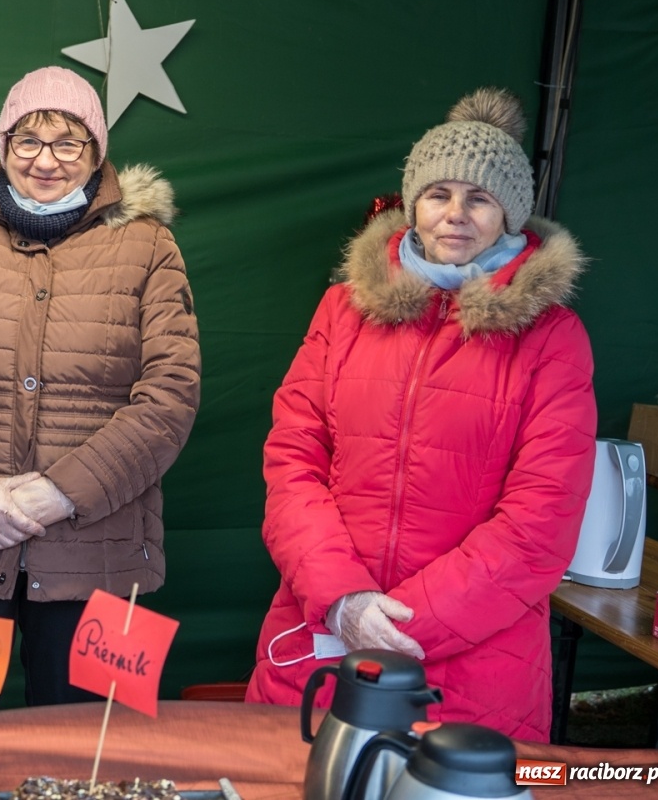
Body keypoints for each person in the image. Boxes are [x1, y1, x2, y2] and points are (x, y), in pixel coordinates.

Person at [245, 89, 596, 741]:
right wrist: (343, 600)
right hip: (324, 635)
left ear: (510, 214)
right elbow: (293, 459)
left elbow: (542, 519)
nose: (455, 213)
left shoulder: (553, 336)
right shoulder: (342, 310)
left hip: (472, 670)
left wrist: (400, 626)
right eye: (438, 194)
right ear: (413, 203)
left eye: (479, 198)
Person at [0, 66, 201, 723]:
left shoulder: (150, 246)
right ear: (4, 146)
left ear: (96, 151)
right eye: (27, 140)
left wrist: (63, 492)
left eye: (67, 142)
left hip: (105, 560)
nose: (45, 160)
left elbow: (170, 396)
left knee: (98, 749)